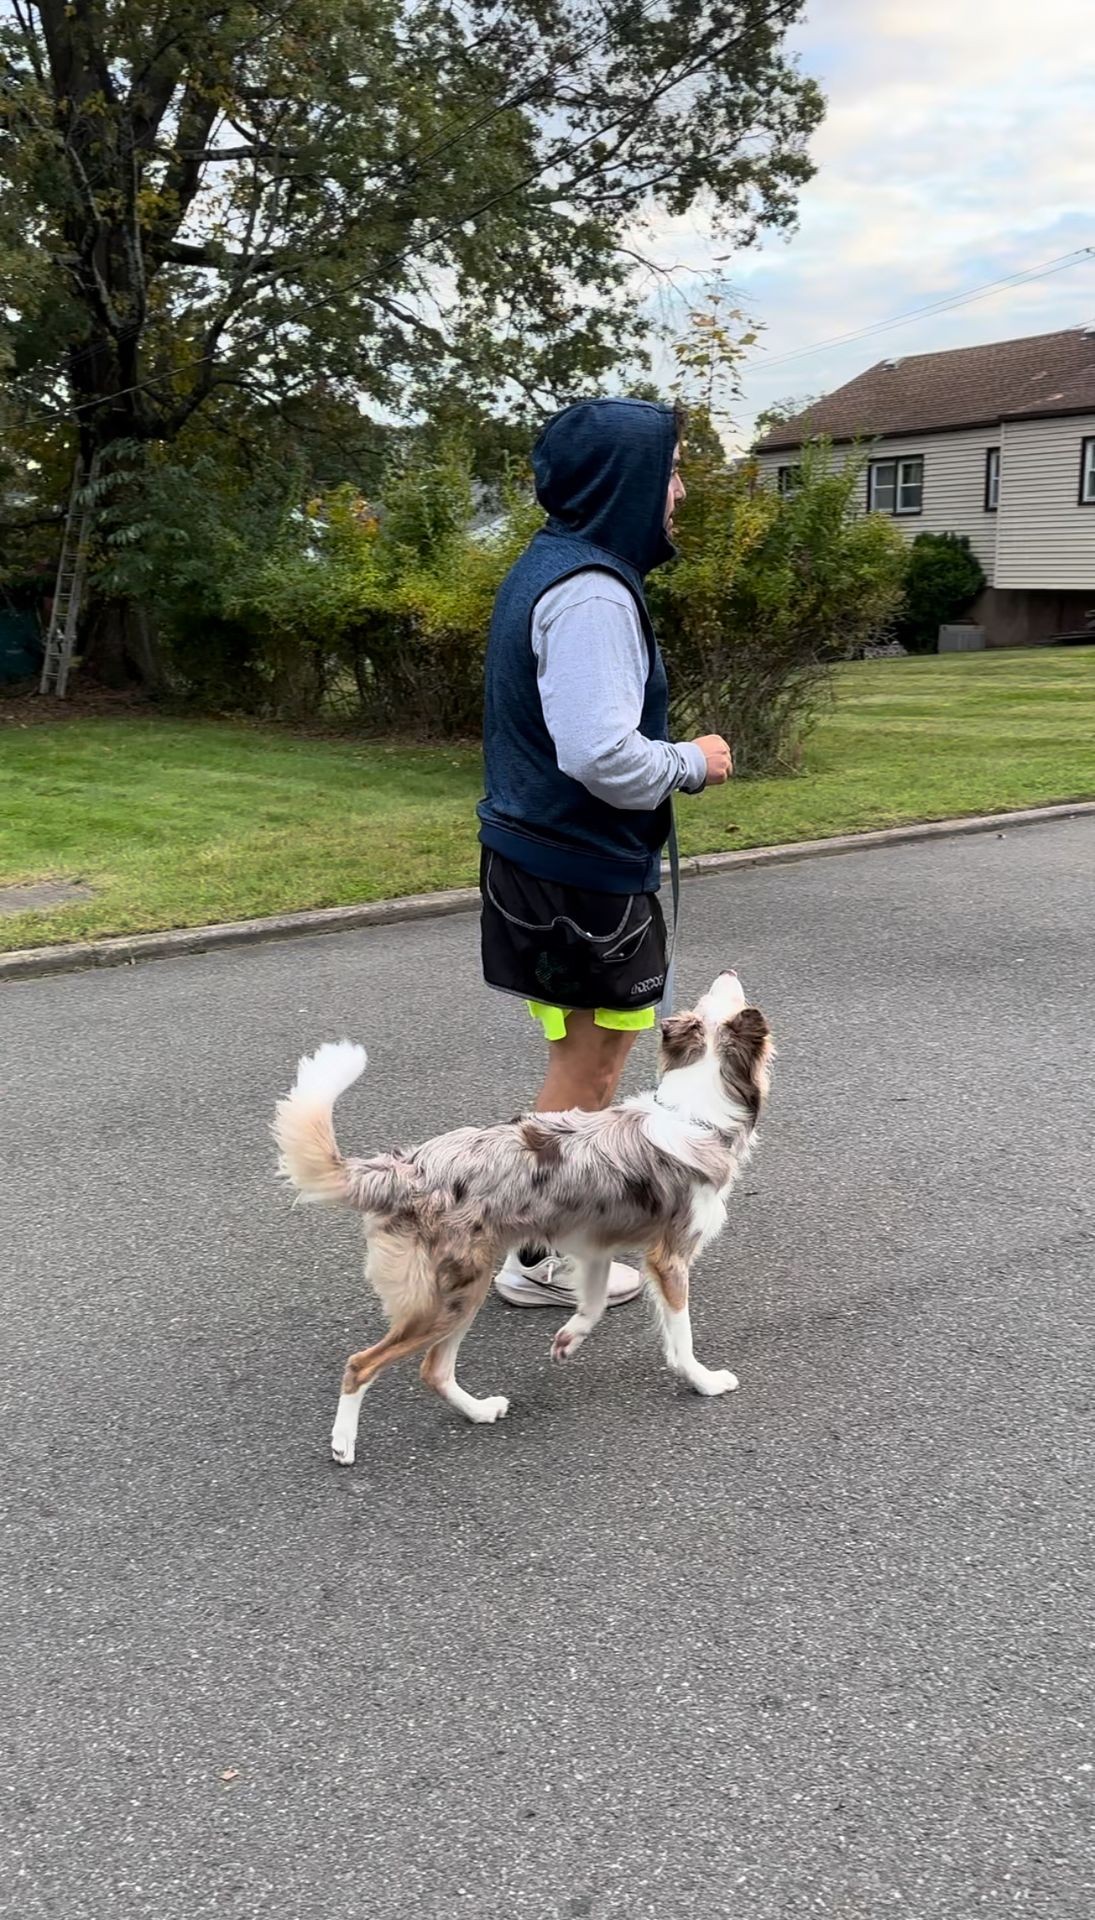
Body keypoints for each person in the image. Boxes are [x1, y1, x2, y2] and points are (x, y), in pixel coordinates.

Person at [477, 396, 732, 1307]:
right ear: (622, 480)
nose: (679, 489)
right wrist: (692, 763)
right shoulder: (590, 592)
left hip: (547, 862)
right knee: (590, 1068)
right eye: (668, 469)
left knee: (580, 1060)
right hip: (575, 871)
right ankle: (534, 1256)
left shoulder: (557, 567)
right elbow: (602, 755)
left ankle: (533, 1242)